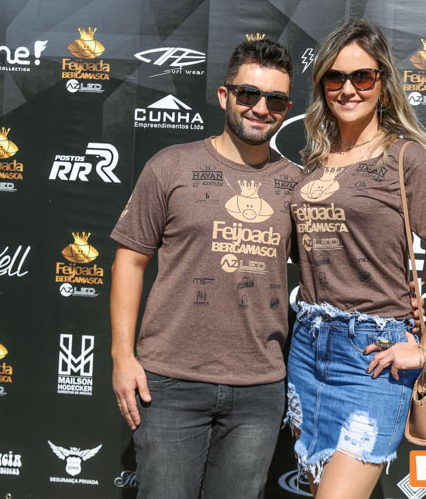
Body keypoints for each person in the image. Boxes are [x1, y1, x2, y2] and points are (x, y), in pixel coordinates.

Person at [286, 20, 426, 498]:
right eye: (335, 77)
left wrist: (425, 350)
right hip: (306, 349)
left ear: (383, 85)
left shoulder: (406, 159)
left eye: (362, 77)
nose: (348, 89)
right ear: (322, 86)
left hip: (371, 358)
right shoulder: (314, 163)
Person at [110, 39, 300, 499]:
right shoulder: (170, 167)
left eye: (275, 100)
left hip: (258, 389)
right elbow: (129, 261)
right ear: (224, 95)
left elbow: (331, 273)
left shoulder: (299, 185)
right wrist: (122, 357)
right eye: (248, 94)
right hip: (168, 385)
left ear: (287, 109)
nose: (261, 108)